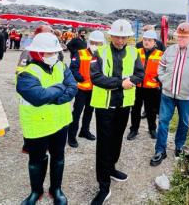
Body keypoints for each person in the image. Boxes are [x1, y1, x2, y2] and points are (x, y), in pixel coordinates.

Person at [16, 32, 77, 205]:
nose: (54, 56)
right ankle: (36, 192)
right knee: (36, 160)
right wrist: (60, 87)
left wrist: (55, 96)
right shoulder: (26, 73)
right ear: (37, 53)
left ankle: (55, 189)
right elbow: (38, 96)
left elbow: (72, 87)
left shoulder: (62, 66)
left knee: (58, 157)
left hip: (60, 123)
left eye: (55, 53)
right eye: (49, 53)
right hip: (37, 126)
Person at [89, 19, 144, 205]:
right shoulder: (99, 52)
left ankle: (111, 168)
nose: (120, 40)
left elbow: (140, 74)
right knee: (103, 145)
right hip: (105, 107)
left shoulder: (133, 51)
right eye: (117, 37)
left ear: (129, 38)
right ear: (110, 35)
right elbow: (96, 77)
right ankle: (103, 186)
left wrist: (132, 81)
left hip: (124, 105)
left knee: (117, 139)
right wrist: (120, 83)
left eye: (124, 37)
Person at [150, 22, 189, 166]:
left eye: (185, 37)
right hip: (167, 95)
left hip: (187, 96)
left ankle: (179, 146)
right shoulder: (170, 50)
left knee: (183, 123)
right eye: (179, 36)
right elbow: (161, 68)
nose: (181, 39)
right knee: (163, 122)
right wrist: (165, 81)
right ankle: (160, 150)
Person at [67, 30, 105, 148]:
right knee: (77, 113)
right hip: (81, 89)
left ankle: (84, 131)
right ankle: (71, 136)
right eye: (94, 42)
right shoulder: (80, 53)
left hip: (94, 89)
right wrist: (81, 78)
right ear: (89, 42)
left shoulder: (102, 55)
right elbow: (73, 69)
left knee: (89, 112)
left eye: (98, 43)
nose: (96, 45)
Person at [127, 30, 163, 141]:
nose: (146, 42)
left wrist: (158, 79)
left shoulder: (160, 54)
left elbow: (165, 69)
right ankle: (134, 130)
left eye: (149, 40)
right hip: (137, 86)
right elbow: (128, 66)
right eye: (145, 40)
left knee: (151, 110)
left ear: (154, 42)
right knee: (135, 109)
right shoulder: (136, 52)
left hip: (151, 88)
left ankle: (152, 129)